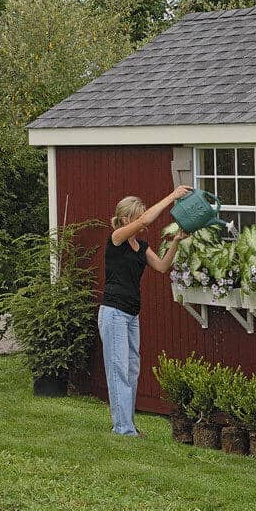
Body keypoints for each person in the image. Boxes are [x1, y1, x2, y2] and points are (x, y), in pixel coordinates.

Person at [100, 187, 191, 436]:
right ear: (127, 219)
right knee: (118, 368)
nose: (143, 219)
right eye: (138, 215)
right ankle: (124, 429)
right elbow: (146, 219)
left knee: (131, 369)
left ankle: (127, 425)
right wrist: (173, 196)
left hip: (131, 314)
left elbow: (162, 266)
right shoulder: (117, 238)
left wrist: (175, 242)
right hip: (113, 312)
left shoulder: (141, 245)